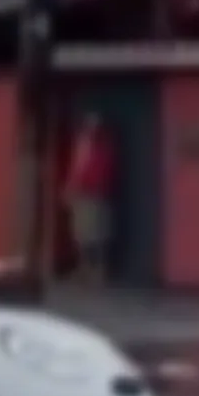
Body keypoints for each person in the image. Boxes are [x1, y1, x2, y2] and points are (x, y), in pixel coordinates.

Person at [62, 112, 117, 285]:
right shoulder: (83, 146)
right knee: (81, 234)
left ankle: (98, 272)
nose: (89, 130)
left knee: (96, 234)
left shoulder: (103, 148)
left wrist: (77, 187)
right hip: (83, 194)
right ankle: (85, 270)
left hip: (94, 194)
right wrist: (70, 189)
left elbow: (95, 171)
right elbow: (77, 169)